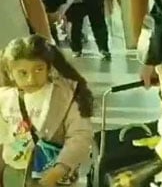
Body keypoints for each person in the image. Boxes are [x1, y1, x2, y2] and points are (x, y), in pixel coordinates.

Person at [0, 35, 93, 187]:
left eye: (38, 69)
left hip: (52, 174)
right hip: (14, 173)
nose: (31, 79)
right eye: (22, 73)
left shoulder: (65, 95)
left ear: (49, 68)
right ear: (10, 73)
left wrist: (61, 168)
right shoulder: (4, 98)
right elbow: (2, 139)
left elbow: (80, 135)